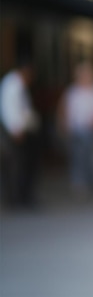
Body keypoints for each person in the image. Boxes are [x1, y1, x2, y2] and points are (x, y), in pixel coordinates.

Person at [58, 62, 93, 198]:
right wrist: (65, 125)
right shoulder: (72, 92)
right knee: (77, 158)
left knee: (92, 158)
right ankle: (79, 184)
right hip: (76, 130)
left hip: (90, 130)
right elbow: (64, 110)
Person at [0, 60, 40, 209]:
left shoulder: (17, 84)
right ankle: (15, 199)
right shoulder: (13, 85)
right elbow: (9, 109)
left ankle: (19, 197)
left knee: (20, 166)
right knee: (15, 167)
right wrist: (15, 129)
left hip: (19, 131)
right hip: (15, 132)